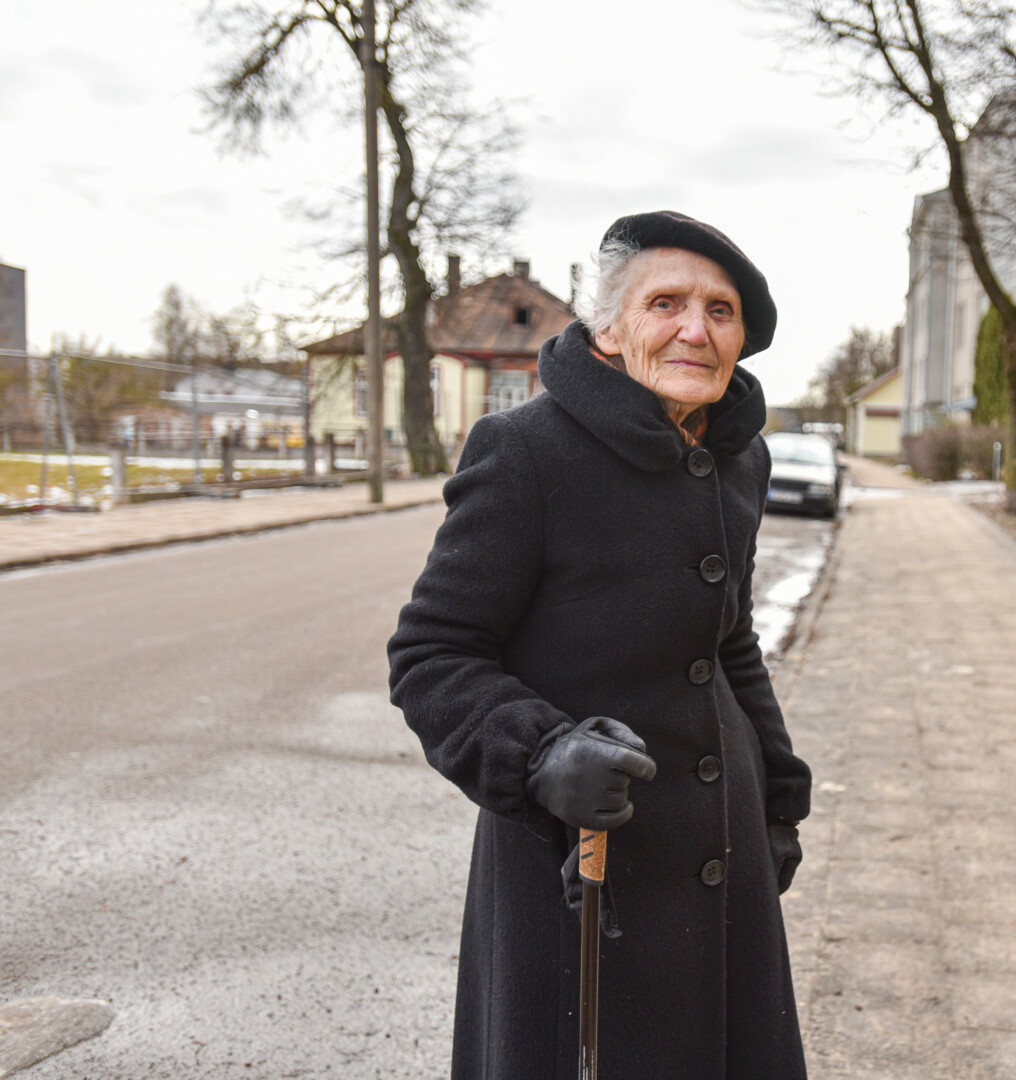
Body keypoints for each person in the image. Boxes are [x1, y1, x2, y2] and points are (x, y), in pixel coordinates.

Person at [388, 211, 812, 1080]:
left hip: (718, 851)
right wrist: (540, 752)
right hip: (577, 859)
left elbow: (731, 642)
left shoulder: (741, 460)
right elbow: (432, 654)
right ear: (610, 330)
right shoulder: (525, 453)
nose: (696, 329)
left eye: (720, 311)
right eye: (667, 303)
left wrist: (774, 796)